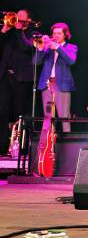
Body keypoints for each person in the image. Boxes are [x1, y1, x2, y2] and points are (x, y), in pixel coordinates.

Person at [0, 10, 36, 154]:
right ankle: (2, 147)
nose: (18, 19)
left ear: (28, 20)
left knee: (20, 113)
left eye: (21, 17)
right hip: (5, 77)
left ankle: (20, 148)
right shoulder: (9, 32)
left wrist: (19, 32)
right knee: (2, 112)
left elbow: (26, 47)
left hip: (22, 79)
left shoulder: (33, 34)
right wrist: (3, 30)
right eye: (17, 16)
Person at [34, 22, 78, 133]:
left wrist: (58, 47)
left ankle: (67, 145)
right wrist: (40, 48)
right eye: (54, 33)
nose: (56, 36)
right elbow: (35, 62)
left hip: (62, 85)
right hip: (47, 85)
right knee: (47, 117)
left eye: (59, 33)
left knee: (64, 117)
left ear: (65, 35)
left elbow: (71, 61)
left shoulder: (71, 47)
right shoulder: (47, 48)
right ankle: (46, 146)